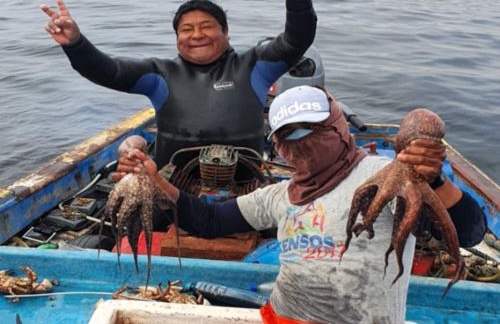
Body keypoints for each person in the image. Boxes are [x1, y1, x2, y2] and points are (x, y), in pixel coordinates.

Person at [127, 85, 486, 324]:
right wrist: (154, 181)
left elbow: (468, 232)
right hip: (284, 316)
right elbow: (208, 220)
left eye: (311, 129)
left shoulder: (384, 176)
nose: (300, 142)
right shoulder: (279, 195)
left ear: (338, 125)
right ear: (277, 145)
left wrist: (432, 179)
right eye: (287, 135)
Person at [41, 0, 317, 174]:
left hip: (245, 191)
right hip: (172, 192)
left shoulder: (254, 66)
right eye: (186, 29)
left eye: (207, 26)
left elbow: (297, 38)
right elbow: (107, 71)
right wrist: (75, 43)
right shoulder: (159, 74)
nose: (197, 35)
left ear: (226, 33)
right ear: (177, 38)